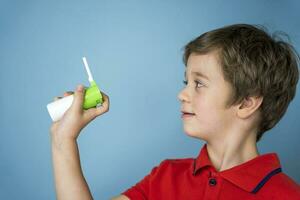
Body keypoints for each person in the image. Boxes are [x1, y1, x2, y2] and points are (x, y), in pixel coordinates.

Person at [49, 24, 300, 200]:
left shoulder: (287, 195)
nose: (182, 94)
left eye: (199, 84)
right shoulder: (166, 177)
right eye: (186, 82)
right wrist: (63, 140)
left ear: (246, 103)